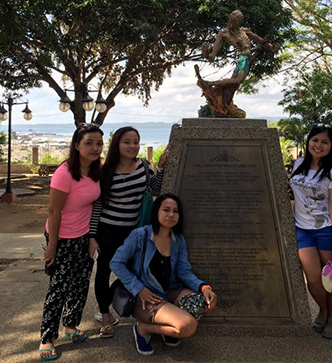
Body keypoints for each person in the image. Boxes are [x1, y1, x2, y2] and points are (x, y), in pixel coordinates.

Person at [110, 193, 217, 356]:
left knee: (205, 303)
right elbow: (116, 263)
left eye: (175, 211)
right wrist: (139, 288)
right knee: (187, 326)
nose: (171, 215)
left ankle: (166, 326)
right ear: (156, 211)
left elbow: (184, 272)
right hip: (146, 297)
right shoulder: (140, 235)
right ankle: (143, 328)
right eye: (166, 210)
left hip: (170, 291)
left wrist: (203, 287)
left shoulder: (178, 240)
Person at [88, 127, 167, 338]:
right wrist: (92, 236)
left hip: (133, 230)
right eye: (127, 142)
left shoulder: (142, 165)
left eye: (136, 141)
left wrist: (159, 167)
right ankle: (105, 315)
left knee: (131, 271)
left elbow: (154, 188)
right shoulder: (105, 172)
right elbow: (97, 206)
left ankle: (106, 298)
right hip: (108, 228)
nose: (132, 146)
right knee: (104, 270)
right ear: (117, 145)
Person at [38, 122, 104, 361]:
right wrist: (52, 246)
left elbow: (95, 203)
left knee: (80, 284)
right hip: (62, 237)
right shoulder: (64, 173)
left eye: (98, 143)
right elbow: (54, 212)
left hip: (83, 236)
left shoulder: (97, 171)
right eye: (88, 143)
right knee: (58, 288)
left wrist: (91, 237)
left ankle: (71, 326)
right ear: (76, 146)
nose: (94, 148)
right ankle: (46, 338)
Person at [289, 124, 332, 339]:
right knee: (313, 278)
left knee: (331, 279)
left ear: (331, 146)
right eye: (315, 140)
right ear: (308, 141)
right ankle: (323, 309)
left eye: (324, 142)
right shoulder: (299, 164)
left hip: (325, 230)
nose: (318, 145)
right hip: (302, 229)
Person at [194, 9, 279, 117]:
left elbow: (260, 40)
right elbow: (212, 56)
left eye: (239, 19)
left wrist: (271, 47)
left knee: (231, 85)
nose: (237, 21)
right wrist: (206, 55)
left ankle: (223, 105)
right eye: (235, 18)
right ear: (231, 19)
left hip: (244, 59)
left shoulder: (244, 31)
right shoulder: (224, 33)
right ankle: (211, 84)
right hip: (243, 58)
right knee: (237, 81)